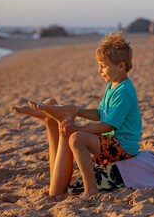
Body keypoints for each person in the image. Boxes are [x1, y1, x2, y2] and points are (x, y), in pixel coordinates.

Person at [11, 31, 142, 198]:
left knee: (77, 138)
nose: (99, 70)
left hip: (123, 146)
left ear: (121, 66)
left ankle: (91, 189)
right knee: (65, 180)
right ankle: (50, 121)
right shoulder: (112, 87)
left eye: (103, 65)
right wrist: (77, 111)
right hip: (112, 144)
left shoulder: (124, 91)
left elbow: (108, 125)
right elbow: (101, 114)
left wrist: (78, 129)